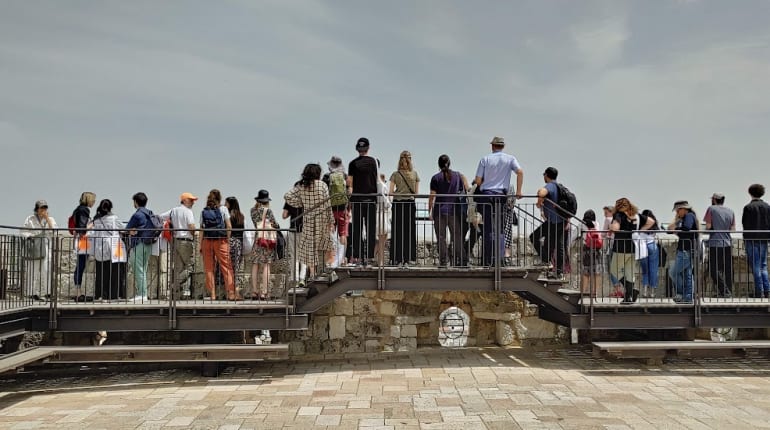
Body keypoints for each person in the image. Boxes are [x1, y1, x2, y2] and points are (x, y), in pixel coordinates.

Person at [473, 136, 523, 267]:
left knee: (488, 229)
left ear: (492, 146)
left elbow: (478, 181)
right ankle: (499, 260)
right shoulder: (510, 159)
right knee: (500, 229)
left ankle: (488, 261)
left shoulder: (485, 159)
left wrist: (487, 181)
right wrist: (518, 191)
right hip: (501, 197)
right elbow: (520, 172)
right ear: (503, 146)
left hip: (486, 196)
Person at [284, 164, 335, 279]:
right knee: (325, 246)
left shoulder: (302, 186)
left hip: (308, 221)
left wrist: (301, 203)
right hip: (321, 219)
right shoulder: (322, 185)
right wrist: (331, 221)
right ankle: (323, 271)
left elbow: (287, 196)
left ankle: (311, 275)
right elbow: (328, 205)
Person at [610, 197, 654, 304]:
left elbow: (615, 227)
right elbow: (651, 221)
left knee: (614, 270)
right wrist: (639, 230)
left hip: (621, 248)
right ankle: (628, 297)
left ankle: (631, 291)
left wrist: (611, 226)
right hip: (634, 248)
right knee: (630, 272)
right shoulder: (636, 216)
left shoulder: (619, 215)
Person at [428, 154, 469, 267]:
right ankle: (462, 260)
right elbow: (464, 190)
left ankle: (443, 261)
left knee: (441, 238)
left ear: (438, 165)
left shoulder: (435, 178)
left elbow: (432, 196)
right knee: (456, 237)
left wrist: (429, 210)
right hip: (454, 211)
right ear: (449, 163)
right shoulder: (457, 176)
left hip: (439, 211)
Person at [199, 189, 238, 301]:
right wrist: (227, 240)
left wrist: (200, 245)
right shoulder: (223, 209)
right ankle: (231, 293)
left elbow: (201, 229)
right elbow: (229, 226)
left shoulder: (203, 211)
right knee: (226, 267)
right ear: (219, 198)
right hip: (221, 241)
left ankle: (212, 294)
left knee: (209, 268)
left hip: (207, 240)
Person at [347, 137, 379, 266]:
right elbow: (376, 180)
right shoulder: (373, 162)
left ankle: (358, 257)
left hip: (357, 200)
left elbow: (350, 184)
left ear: (357, 149)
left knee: (357, 229)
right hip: (371, 199)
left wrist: (349, 201)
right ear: (368, 148)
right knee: (371, 229)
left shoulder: (352, 164)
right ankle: (370, 257)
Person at [160, 193, 198, 299]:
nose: (193, 203)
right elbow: (191, 227)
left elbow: (160, 217)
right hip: (186, 241)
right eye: (191, 200)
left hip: (176, 241)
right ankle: (175, 285)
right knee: (190, 267)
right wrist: (194, 234)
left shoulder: (174, 210)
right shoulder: (188, 211)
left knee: (178, 268)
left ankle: (177, 295)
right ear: (184, 200)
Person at [88, 199, 127, 301]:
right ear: (110, 208)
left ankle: (101, 295)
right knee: (115, 272)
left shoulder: (96, 220)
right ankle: (114, 294)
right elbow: (123, 228)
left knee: (101, 273)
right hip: (113, 247)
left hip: (99, 248)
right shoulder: (114, 218)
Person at [21, 200, 57, 301]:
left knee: (47, 270)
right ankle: (31, 293)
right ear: (37, 209)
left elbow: (54, 232)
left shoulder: (51, 219)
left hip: (46, 247)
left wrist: (47, 219)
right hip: (34, 247)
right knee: (32, 270)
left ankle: (48, 293)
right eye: (41, 208)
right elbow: (23, 231)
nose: (43, 210)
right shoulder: (30, 219)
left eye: (45, 208)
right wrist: (31, 237)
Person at [389, 151, 420, 266]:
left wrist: (399, 191)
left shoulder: (395, 174)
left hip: (398, 204)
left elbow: (391, 192)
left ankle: (397, 259)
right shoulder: (415, 174)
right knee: (409, 232)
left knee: (397, 231)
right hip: (410, 204)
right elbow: (416, 193)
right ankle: (407, 259)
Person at [536, 167, 568, 278]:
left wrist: (539, 203)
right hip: (560, 220)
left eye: (544, 175)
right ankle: (558, 271)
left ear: (547, 175)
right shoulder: (559, 186)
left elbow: (542, 192)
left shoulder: (550, 185)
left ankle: (547, 262)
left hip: (553, 221)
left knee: (534, 237)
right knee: (557, 245)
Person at [704, 193, 736, 298]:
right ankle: (728, 291)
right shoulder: (731, 211)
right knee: (727, 269)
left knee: (713, 269)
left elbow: (708, 226)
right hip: (727, 243)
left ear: (714, 200)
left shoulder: (711, 209)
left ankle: (725, 291)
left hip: (715, 243)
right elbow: (733, 229)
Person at [742, 184, 770, 299]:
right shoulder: (767, 207)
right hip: (764, 239)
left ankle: (759, 291)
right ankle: (767, 290)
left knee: (756, 265)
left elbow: (745, 223)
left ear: (750, 193)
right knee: (763, 266)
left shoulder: (748, 207)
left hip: (751, 239)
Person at [668, 201, 699, 304]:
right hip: (688, 249)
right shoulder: (684, 218)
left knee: (673, 272)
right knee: (687, 274)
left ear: (684, 209)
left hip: (686, 250)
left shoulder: (689, 216)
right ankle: (688, 297)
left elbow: (686, 228)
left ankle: (681, 293)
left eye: (678, 210)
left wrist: (676, 229)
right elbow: (669, 230)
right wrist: (676, 221)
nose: (677, 213)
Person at [251, 190, 279, 300]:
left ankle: (254, 291)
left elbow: (256, 224)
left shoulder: (252, 211)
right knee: (266, 265)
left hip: (257, 239)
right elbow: (275, 224)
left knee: (255, 264)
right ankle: (264, 292)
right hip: (266, 241)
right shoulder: (268, 211)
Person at [125, 192, 153, 301]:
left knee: (138, 270)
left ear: (136, 202)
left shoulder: (137, 215)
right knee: (143, 269)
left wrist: (132, 231)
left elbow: (127, 229)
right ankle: (143, 293)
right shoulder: (150, 213)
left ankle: (142, 294)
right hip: (148, 244)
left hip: (139, 244)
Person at [324, 156, 349, 267]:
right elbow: (349, 191)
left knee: (330, 233)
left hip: (330, 209)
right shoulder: (344, 176)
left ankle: (331, 260)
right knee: (342, 233)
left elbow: (324, 192)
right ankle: (342, 259)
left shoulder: (327, 176)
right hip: (342, 209)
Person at [282, 181, 308, 287]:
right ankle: (302, 278)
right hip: (305, 230)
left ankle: (295, 279)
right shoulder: (307, 199)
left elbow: (284, 215)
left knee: (294, 256)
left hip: (293, 229)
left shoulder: (290, 200)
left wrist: (291, 212)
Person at [71, 192, 95, 301]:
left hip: (80, 239)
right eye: (93, 200)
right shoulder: (84, 210)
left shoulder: (78, 209)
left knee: (80, 266)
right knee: (80, 266)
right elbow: (83, 228)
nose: (94, 202)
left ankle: (78, 292)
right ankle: (78, 293)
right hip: (83, 240)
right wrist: (92, 224)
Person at [638, 209, 660, 298]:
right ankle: (652, 292)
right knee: (653, 269)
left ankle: (644, 291)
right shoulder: (654, 224)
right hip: (652, 245)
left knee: (645, 270)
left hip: (642, 246)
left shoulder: (641, 224)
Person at [580, 209, 602, 297]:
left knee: (586, 272)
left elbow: (574, 235)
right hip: (596, 249)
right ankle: (594, 293)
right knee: (596, 272)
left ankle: (583, 292)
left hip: (587, 249)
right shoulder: (597, 224)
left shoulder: (581, 224)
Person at [602, 205, 622, 298]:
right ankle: (619, 290)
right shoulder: (619, 220)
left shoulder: (608, 220)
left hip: (611, 247)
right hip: (619, 247)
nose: (605, 215)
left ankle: (617, 290)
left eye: (606, 213)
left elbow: (603, 233)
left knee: (611, 269)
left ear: (611, 212)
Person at [226, 196, 245, 279]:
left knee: (226, 267)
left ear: (230, 204)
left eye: (226, 203)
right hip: (238, 243)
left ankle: (226, 285)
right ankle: (233, 284)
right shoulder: (241, 216)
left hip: (230, 242)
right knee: (235, 267)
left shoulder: (228, 216)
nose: (225, 205)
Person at [375, 173, 392, 266]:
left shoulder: (375, 186)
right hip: (382, 213)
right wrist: (389, 204)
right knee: (382, 239)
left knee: (380, 240)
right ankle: (380, 261)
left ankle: (376, 259)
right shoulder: (382, 186)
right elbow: (385, 200)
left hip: (378, 213)